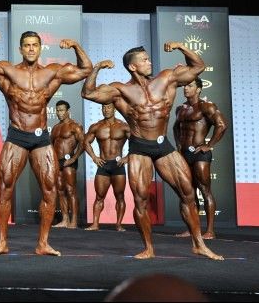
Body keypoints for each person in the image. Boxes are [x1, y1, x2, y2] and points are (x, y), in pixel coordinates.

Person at [81, 44, 222, 260]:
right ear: (133, 66)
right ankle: (148, 248)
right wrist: (97, 67)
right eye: (144, 60)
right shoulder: (121, 90)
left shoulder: (165, 78)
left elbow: (198, 67)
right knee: (140, 200)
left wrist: (181, 47)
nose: (149, 62)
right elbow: (88, 93)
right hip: (140, 148)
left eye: (148, 58)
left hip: (163, 146)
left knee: (188, 193)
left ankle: (199, 244)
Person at [0, 30, 93, 256]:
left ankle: (43, 243)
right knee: (5, 188)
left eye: (35, 45)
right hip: (17, 136)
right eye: (27, 45)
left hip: (40, 138)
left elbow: (85, 69)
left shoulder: (52, 72)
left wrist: (75, 45)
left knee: (50, 190)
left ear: (40, 48)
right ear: (21, 49)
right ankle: (2, 242)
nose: (31, 49)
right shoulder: (8, 71)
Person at [172, 77, 227, 240]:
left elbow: (222, 125)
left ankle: (210, 231)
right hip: (184, 154)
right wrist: (178, 145)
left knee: (205, 190)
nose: (185, 88)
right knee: (187, 192)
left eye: (189, 86)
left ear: (199, 89)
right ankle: (192, 230)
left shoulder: (206, 106)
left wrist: (209, 145)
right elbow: (175, 128)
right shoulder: (180, 109)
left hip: (200, 154)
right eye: (184, 86)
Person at [82, 99, 130, 231]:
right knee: (99, 197)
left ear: (114, 109)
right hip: (103, 165)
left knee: (119, 196)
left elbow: (136, 142)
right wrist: (94, 157)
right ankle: (95, 224)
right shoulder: (96, 126)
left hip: (117, 165)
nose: (105, 110)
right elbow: (85, 142)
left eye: (108, 107)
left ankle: (119, 224)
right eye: (103, 107)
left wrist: (127, 157)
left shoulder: (123, 126)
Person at [50, 100, 85, 229]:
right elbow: (51, 145)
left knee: (71, 190)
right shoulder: (55, 128)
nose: (59, 113)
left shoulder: (74, 126)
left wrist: (74, 158)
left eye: (62, 110)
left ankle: (74, 220)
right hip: (57, 162)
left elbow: (83, 143)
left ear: (68, 111)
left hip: (69, 161)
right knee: (60, 191)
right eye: (57, 110)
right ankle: (65, 219)